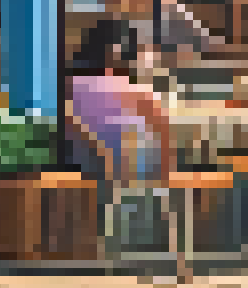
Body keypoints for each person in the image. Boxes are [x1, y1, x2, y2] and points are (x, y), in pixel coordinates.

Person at [66, 18, 173, 184]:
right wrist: (165, 174)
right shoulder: (131, 89)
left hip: (85, 171)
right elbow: (162, 128)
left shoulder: (70, 86)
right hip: (133, 174)